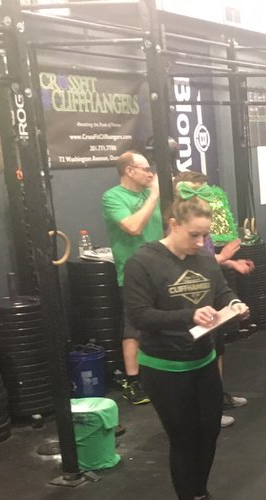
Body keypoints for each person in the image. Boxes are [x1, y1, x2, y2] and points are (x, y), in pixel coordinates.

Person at [123, 195, 249, 500]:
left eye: (205, 235)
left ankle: (201, 496)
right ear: (173, 224)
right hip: (164, 366)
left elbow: (222, 292)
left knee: (209, 431)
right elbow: (139, 316)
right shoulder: (143, 262)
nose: (200, 242)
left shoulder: (205, 259)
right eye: (194, 235)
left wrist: (234, 304)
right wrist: (188, 315)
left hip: (202, 361)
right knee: (183, 438)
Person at [173, 172, 253, 428]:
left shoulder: (201, 226)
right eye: (198, 192)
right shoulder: (181, 228)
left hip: (209, 290)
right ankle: (206, 408)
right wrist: (225, 255)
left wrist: (230, 262)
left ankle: (216, 398)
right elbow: (193, 260)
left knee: (216, 349)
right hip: (188, 296)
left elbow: (206, 259)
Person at [102, 150, 164, 405]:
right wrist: (155, 194)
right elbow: (133, 226)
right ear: (129, 170)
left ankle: (160, 373)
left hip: (162, 269)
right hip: (134, 272)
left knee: (165, 321)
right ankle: (134, 382)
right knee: (134, 326)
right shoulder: (113, 197)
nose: (150, 174)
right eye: (146, 169)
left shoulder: (152, 194)